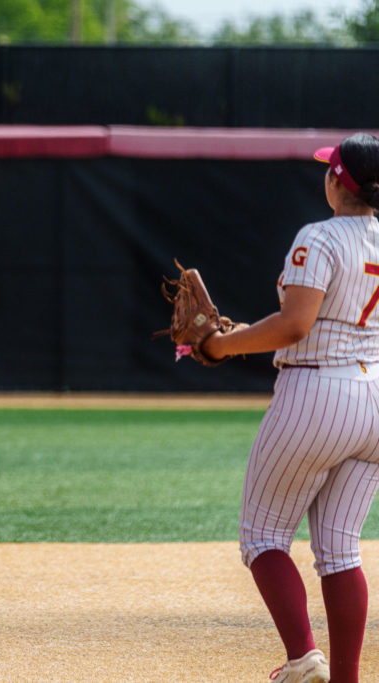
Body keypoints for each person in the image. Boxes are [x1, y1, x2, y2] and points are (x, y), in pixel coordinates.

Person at [201, 132, 379, 683]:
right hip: (375, 398)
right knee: (340, 550)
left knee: (263, 537)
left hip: (317, 395)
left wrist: (219, 344)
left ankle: (303, 658)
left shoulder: (320, 236)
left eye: (329, 169)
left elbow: (296, 324)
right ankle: (347, 678)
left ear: (337, 181)